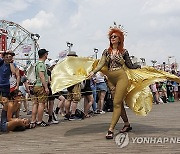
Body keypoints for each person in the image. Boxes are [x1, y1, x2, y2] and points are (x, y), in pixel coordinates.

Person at [88, 23, 141, 139]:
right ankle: (126, 124)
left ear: (120, 39)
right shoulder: (106, 51)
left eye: (115, 36)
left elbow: (130, 66)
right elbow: (101, 63)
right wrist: (93, 71)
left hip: (121, 77)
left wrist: (124, 63)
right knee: (119, 104)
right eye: (111, 36)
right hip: (110, 79)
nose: (112, 38)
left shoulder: (124, 52)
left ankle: (110, 129)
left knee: (116, 103)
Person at [31, 49, 49, 127]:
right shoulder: (41, 64)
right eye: (46, 54)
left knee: (35, 104)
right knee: (41, 104)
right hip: (40, 86)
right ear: (45, 54)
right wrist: (46, 87)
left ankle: (33, 120)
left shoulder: (36, 64)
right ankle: (39, 120)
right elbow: (42, 76)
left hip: (35, 86)